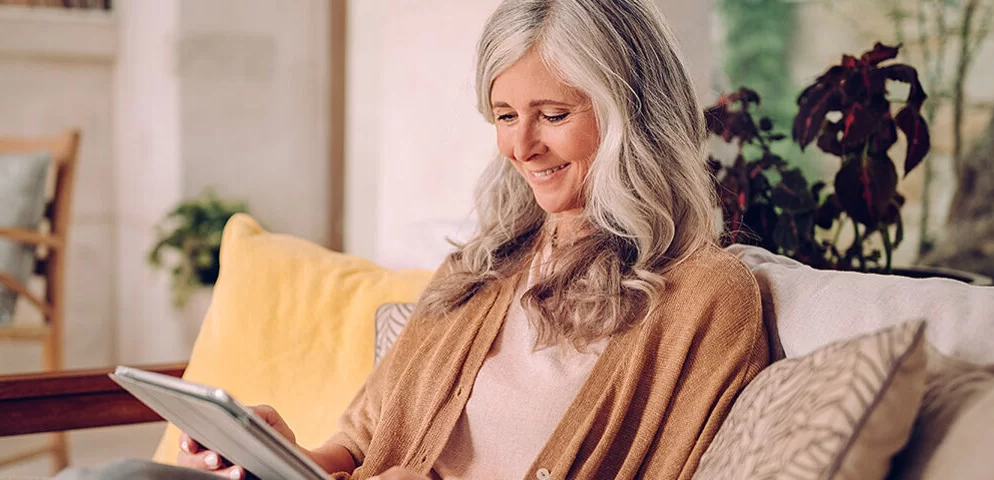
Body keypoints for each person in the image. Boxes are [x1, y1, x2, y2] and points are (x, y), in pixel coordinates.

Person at [170, 0, 769, 478]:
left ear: (633, 116)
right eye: (505, 115)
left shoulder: (706, 299)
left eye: (553, 115)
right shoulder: (481, 268)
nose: (521, 146)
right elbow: (357, 442)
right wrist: (279, 455)